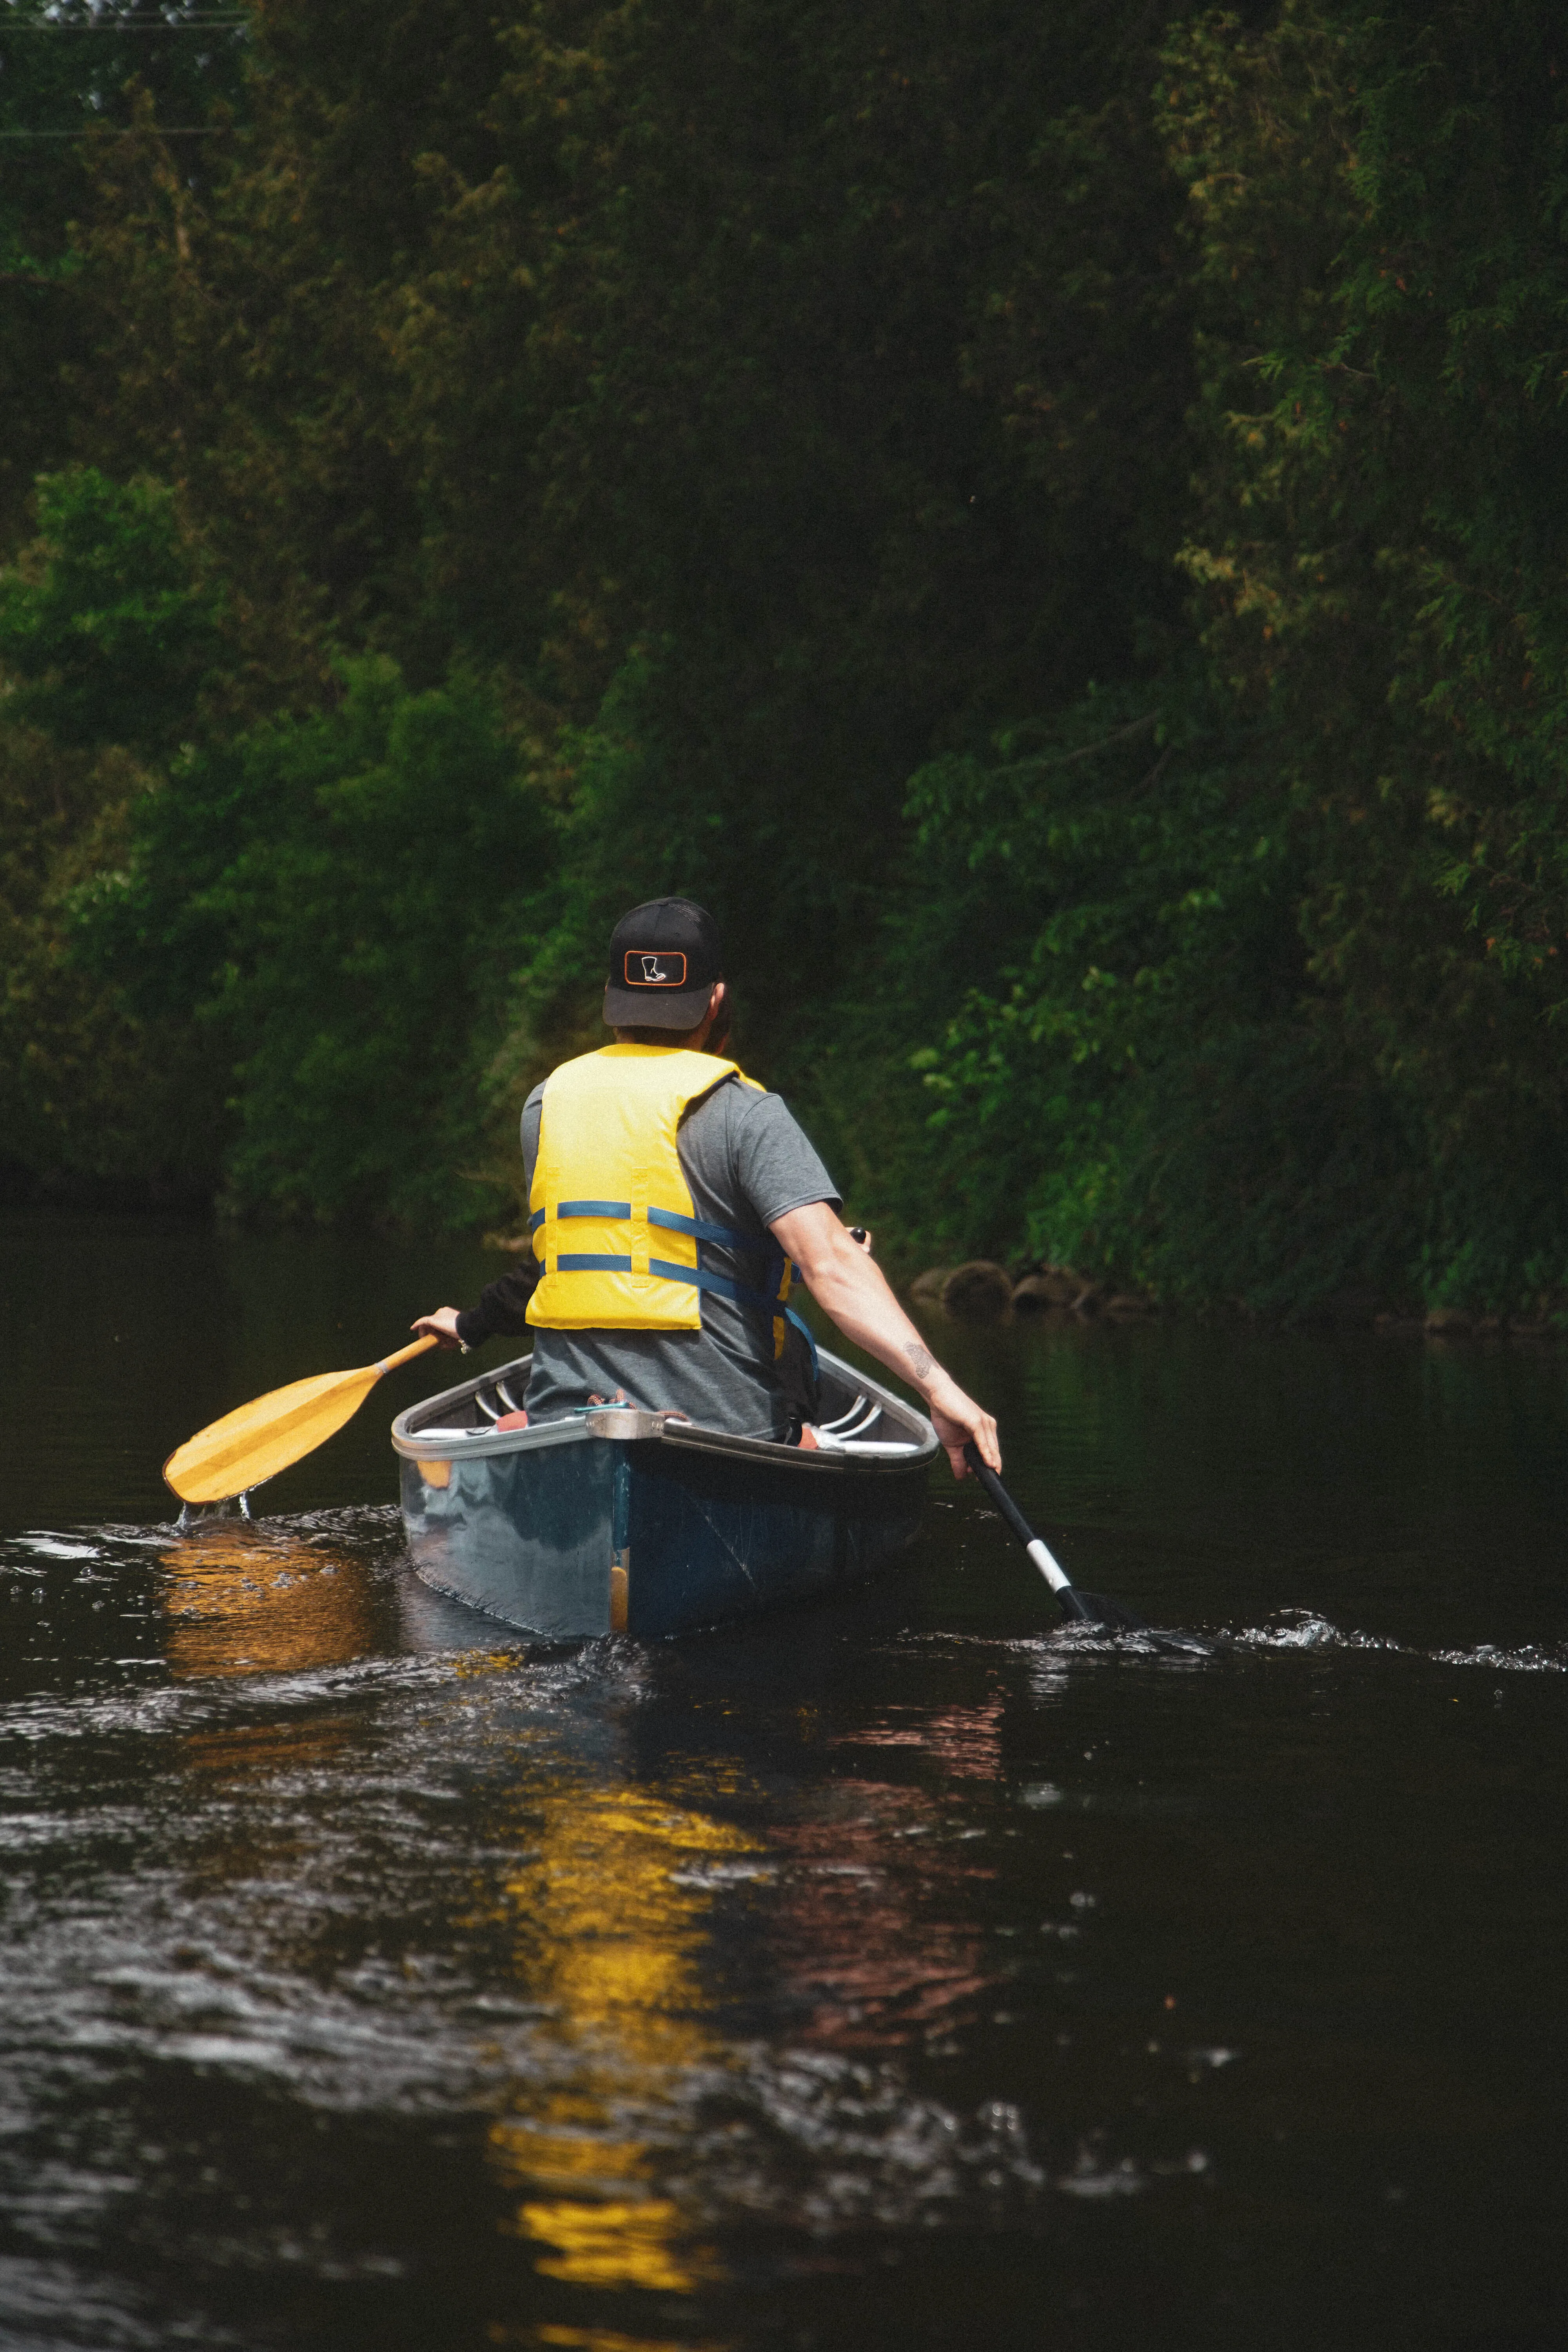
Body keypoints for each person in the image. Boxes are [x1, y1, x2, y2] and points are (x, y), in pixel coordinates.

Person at [413, 897, 1000, 1478]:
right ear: (716, 1001)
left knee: (527, 1423)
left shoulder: (544, 1106)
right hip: (727, 1432)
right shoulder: (748, 1113)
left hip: (567, 1417)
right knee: (802, 1420)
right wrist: (941, 1390)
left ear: (609, 1002)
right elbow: (834, 1268)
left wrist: (472, 1324)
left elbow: (584, 1254)